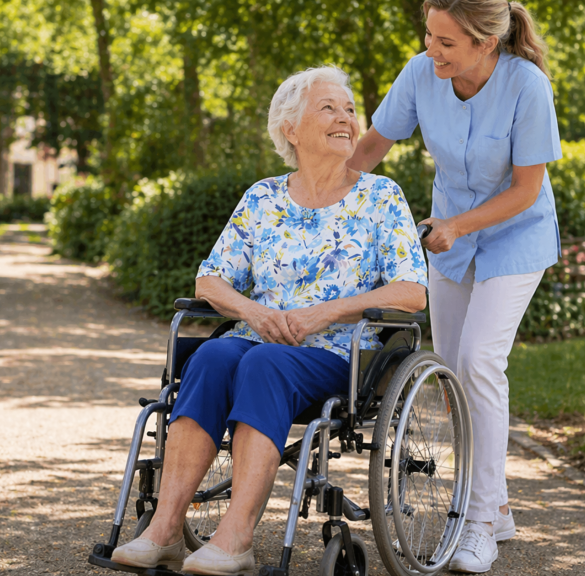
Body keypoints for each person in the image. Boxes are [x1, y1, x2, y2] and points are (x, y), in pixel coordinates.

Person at [111, 65, 428, 575]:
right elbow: (209, 281)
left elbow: (413, 291)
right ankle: (164, 531)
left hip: (338, 355)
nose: (347, 118)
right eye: (329, 108)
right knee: (213, 356)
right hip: (257, 338)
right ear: (291, 128)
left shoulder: (380, 198)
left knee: (264, 365)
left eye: (350, 109)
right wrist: (254, 312)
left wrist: (323, 312)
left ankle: (235, 540)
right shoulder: (263, 199)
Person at [347, 1, 561, 572]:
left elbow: (525, 191)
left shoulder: (526, 86)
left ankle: (479, 524)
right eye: (429, 36)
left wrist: (458, 226)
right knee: (450, 371)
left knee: (480, 361)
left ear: (486, 43)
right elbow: (371, 146)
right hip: (449, 235)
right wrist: (329, 193)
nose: (432, 50)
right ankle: (498, 503)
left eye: (446, 42)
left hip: (514, 238)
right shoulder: (422, 73)